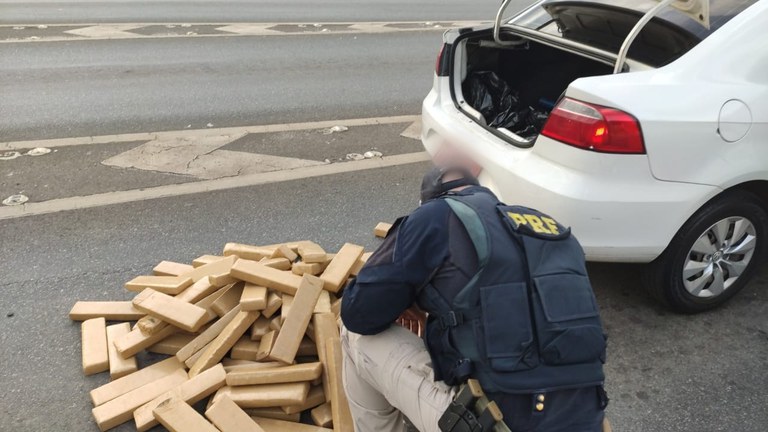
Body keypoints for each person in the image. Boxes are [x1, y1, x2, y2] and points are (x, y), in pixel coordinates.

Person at [340, 165, 608, 432]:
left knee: (354, 336)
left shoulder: (436, 215)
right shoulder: (554, 231)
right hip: (588, 422)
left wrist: (413, 300)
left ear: (429, 200)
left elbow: (358, 313)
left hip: (494, 423)